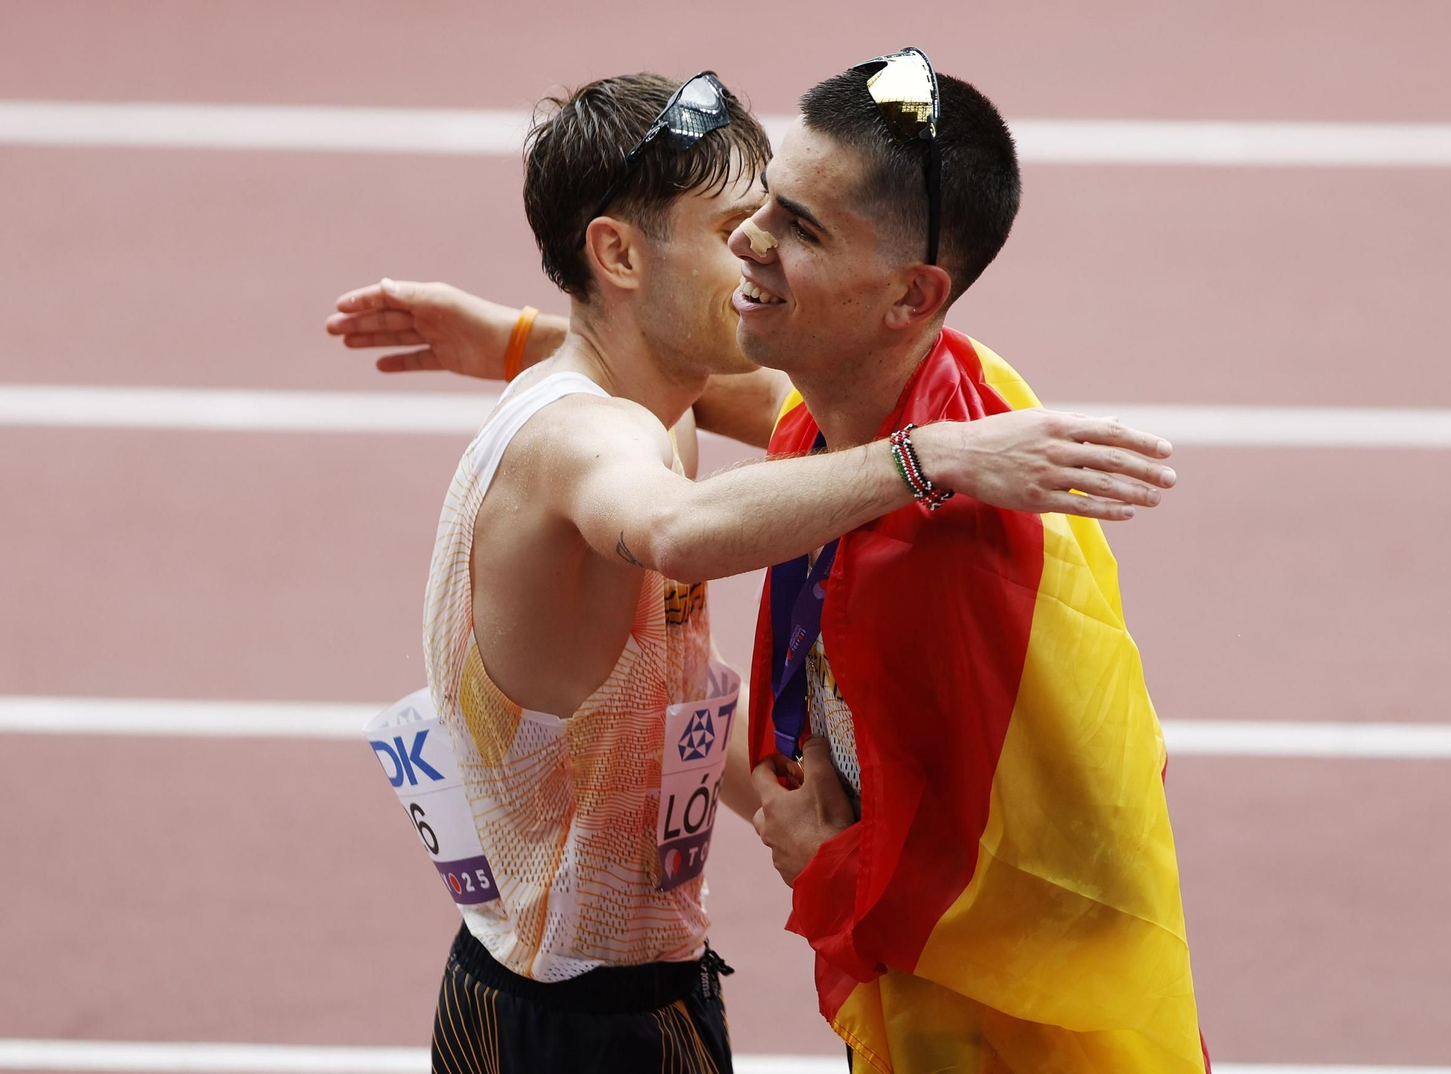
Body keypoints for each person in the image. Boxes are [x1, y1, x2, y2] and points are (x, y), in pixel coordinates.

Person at [332, 69, 1180, 1074]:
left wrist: (521, 335)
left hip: (631, 989)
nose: (750, 246)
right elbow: (676, 529)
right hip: (570, 1025)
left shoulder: (657, 395)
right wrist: (936, 457)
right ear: (616, 254)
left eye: (782, 220)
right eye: (738, 218)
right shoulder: (588, 443)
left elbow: (824, 388)